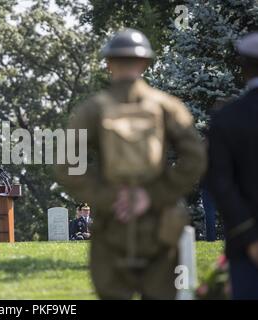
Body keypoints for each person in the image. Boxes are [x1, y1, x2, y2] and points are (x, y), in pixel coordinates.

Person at [55, 28, 206, 299]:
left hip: (113, 225)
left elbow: (66, 163)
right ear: (145, 63)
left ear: (108, 64)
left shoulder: (91, 109)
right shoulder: (166, 106)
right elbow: (195, 158)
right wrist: (152, 196)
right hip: (160, 226)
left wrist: (111, 197)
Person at [207, 32, 258, 299]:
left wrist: (250, 238)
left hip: (246, 246)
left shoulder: (226, 118)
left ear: (243, 68)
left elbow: (221, 184)